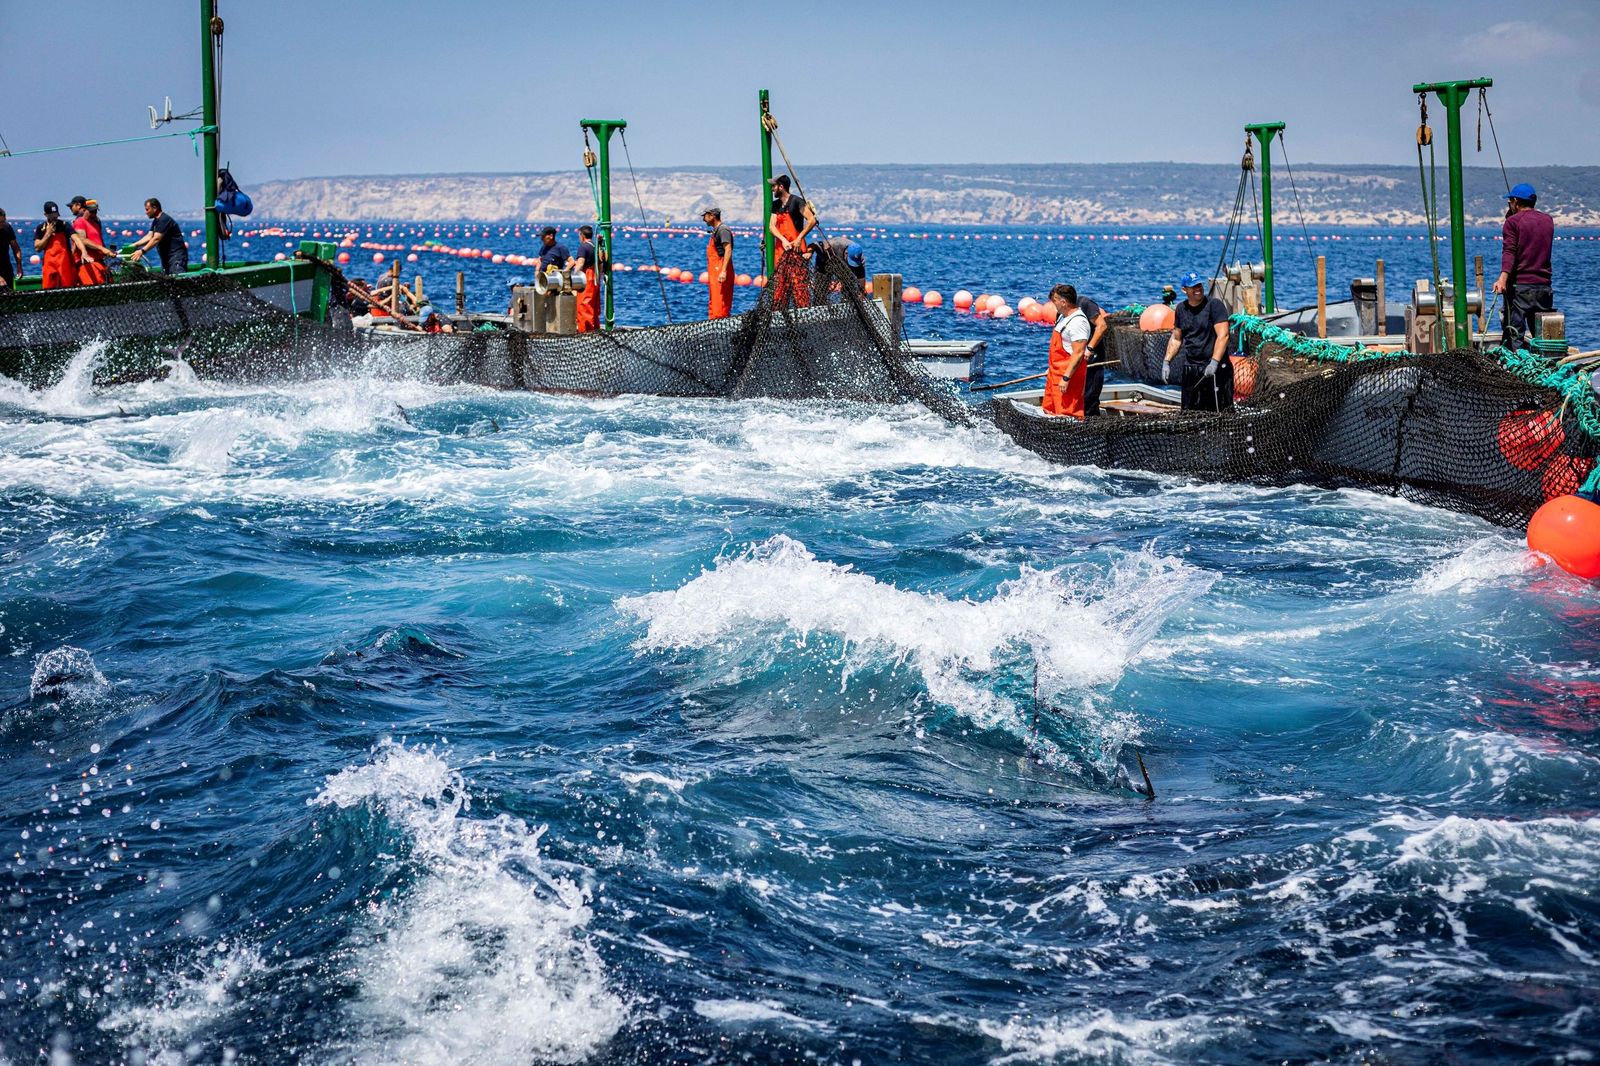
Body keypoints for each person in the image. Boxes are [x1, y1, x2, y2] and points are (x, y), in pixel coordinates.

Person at [1492, 181, 1555, 351]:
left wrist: (1502, 279)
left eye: (1510, 202)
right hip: (1544, 288)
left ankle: (1515, 371)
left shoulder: (1512, 223)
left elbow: (1510, 251)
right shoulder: (1548, 221)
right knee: (1542, 337)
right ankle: (1543, 368)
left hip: (1520, 289)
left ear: (1516, 202)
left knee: (1514, 336)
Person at [1163, 272, 1233, 412]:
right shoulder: (1181, 309)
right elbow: (1177, 339)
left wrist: (1214, 362)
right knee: (1191, 412)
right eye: (1193, 286)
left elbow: (1223, 335)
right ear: (1184, 290)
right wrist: (1166, 362)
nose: (1198, 289)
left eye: (1199, 285)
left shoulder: (1214, 305)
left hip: (1215, 368)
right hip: (1191, 368)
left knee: (1220, 413)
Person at [1043, 284, 1092, 418]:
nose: (1054, 305)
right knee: (1049, 409)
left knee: (1067, 413)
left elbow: (1078, 353)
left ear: (1063, 302)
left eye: (1055, 301)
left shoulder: (1078, 322)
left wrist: (1066, 378)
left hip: (1067, 377)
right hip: (1054, 374)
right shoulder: (1063, 317)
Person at [767, 174, 815, 307]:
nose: (772, 189)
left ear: (781, 187)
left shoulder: (797, 202)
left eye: (774, 186)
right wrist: (782, 240)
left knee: (799, 286)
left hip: (797, 251)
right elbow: (771, 226)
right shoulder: (775, 205)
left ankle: (804, 313)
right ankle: (780, 314)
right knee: (780, 286)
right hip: (781, 251)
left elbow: (812, 220)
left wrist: (799, 238)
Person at [1073, 291, 1111, 416]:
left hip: (1092, 357)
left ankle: (1091, 420)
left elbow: (1102, 326)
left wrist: (1089, 348)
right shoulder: (1061, 312)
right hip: (1074, 358)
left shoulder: (1085, 304)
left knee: (1090, 395)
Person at [127, 198, 189, 274]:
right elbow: (149, 237)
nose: (146, 212)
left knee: (178, 280)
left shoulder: (164, 219)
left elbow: (156, 239)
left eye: (147, 209)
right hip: (166, 257)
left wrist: (142, 251)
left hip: (176, 257)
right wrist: (135, 245)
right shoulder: (156, 221)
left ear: (155, 208)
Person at [33, 201, 85, 290]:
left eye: (56, 214)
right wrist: (48, 234)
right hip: (49, 265)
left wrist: (84, 251)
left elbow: (76, 239)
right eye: (52, 215)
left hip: (64, 264)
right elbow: (38, 248)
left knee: (67, 287)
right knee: (48, 288)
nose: (55, 217)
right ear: (45, 214)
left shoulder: (64, 225)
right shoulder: (41, 228)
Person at [68, 196, 115, 286]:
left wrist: (108, 251)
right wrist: (102, 248)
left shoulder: (96, 223)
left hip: (99, 262)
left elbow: (99, 241)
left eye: (95, 211)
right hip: (87, 264)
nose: (93, 213)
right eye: (91, 211)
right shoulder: (79, 222)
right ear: (84, 210)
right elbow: (82, 240)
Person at [702, 207, 734, 319]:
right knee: (714, 299)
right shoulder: (716, 230)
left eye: (705, 216)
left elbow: (728, 250)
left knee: (720, 301)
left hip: (720, 268)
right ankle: (714, 323)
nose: (703, 219)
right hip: (715, 270)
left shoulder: (723, 230)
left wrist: (723, 271)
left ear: (712, 216)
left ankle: (720, 325)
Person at [569, 224, 600, 332]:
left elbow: (581, 263)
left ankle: (585, 331)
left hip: (586, 278)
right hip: (595, 278)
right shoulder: (595, 247)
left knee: (584, 306)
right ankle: (595, 330)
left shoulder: (583, 247)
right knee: (593, 306)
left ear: (582, 236)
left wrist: (572, 276)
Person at [0, 209, 21, 293]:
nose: (1, 224)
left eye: (3, 221)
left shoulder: (7, 227)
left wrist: (19, 266)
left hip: (6, 269)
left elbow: (16, 248)